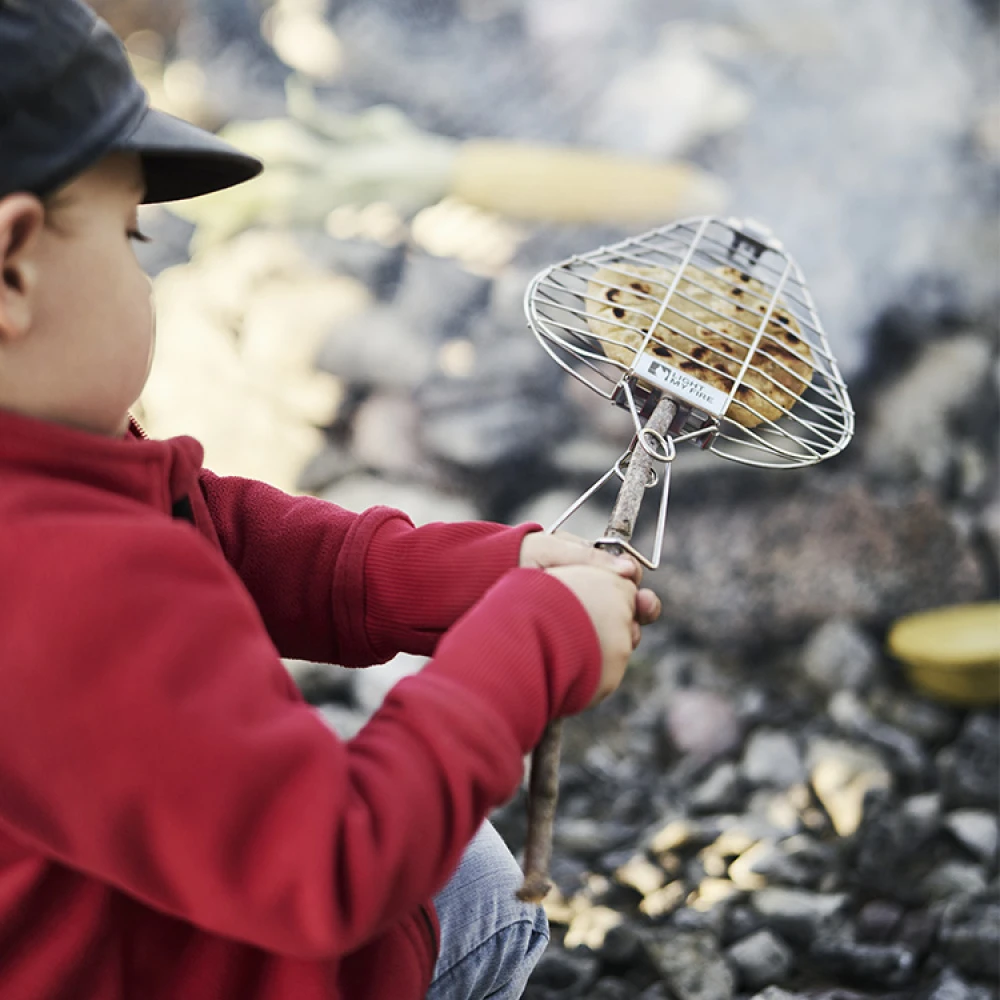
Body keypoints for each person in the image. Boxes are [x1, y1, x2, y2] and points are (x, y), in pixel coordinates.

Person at [0, 2, 661, 998]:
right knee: (474, 885)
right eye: (133, 238)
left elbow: (211, 530)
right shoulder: (53, 576)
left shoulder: (44, 482)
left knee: (459, 866)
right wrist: (535, 642)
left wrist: (472, 576)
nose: (145, 280)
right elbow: (334, 859)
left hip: (112, 915)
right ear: (11, 268)